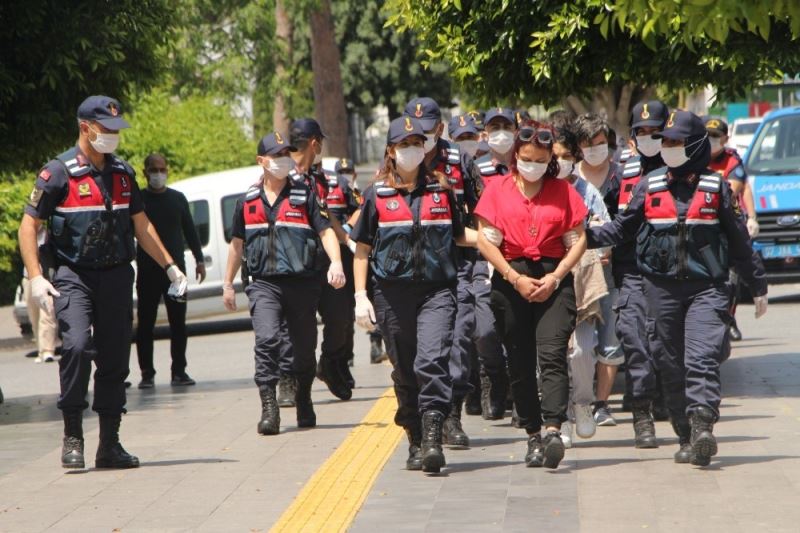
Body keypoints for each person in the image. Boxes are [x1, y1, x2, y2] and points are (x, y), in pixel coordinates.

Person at [587, 109, 768, 466]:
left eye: (675, 142)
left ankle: (703, 426)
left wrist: (758, 286)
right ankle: (685, 433)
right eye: (665, 142)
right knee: (667, 363)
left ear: (696, 145)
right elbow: (621, 229)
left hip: (708, 290)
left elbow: (739, 244)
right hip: (660, 290)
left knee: (700, 358)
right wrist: (581, 235)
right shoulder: (648, 185)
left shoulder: (716, 188)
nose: (667, 148)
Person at [18, 95, 188, 470]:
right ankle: (73, 434)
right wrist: (35, 277)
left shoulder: (123, 173)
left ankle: (109, 444)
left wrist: (170, 266)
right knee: (77, 346)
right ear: (85, 127)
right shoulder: (58, 173)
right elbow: (29, 226)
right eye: (106, 129)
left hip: (115, 275)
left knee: (114, 358)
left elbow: (141, 226)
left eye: (116, 129)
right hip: (73, 276)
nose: (113, 135)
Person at [352, 116, 476, 473]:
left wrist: (495, 242)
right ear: (391, 150)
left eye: (417, 144)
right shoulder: (377, 195)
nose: (412, 150)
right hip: (392, 296)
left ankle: (434, 438)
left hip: (437, 291)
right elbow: (362, 249)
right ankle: (415, 437)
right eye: (404, 145)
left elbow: (458, 235)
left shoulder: (441, 189)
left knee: (431, 361)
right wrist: (361, 296)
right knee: (406, 371)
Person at [476, 120, 588, 469]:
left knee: (553, 354)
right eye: (526, 158)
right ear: (515, 157)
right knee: (520, 360)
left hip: (554, 278)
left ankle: (554, 428)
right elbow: (485, 240)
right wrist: (513, 277)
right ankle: (533, 434)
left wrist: (556, 277)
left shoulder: (564, 191)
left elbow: (579, 238)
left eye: (540, 160)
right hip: (512, 279)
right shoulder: (496, 189)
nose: (533, 165)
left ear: (549, 161)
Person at [222, 132, 345, 436]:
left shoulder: (305, 196)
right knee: (266, 340)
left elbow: (326, 232)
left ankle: (303, 396)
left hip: (303, 284)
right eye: (276, 156)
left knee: (304, 349)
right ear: (261, 161)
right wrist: (227, 283)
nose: (283, 161)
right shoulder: (247, 202)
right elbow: (237, 245)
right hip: (264, 284)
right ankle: (269, 407)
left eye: (286, 155)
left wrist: (337, 262)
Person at [404, 97, 481, 447]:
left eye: (427, 129)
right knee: (421, 352)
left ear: (439, 128)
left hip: (458, 264)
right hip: (413, 273)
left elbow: (481, 211)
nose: (421, 136)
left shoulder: (460, 161)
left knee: (460, 340)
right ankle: (423, 417)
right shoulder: (395, 161)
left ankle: (451, 416)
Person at [550, 111, 610, 448]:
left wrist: (595, 245)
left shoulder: (588, 193)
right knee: (553, 354)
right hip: (550, 284)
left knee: (583, 351)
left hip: (585, 286)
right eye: (555, 157)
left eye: (567, 157)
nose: (560, 163)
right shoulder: (537, 191)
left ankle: (583, 404)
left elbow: (607, 233)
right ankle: (557, 420)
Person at [288, 118, 355, 402]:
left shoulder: (319, 180)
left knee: (340, 318)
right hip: (293, 263)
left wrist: (348, 241)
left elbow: (326, 219)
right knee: (292, 326)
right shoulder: (280, 175)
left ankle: (329, 363)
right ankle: (288, 380)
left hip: (324, 259)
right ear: (314, 143)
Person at [135, 153, 206, 389]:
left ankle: (179, 371)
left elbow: (190, 231)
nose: (158, 174)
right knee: (145, 325)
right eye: (153, 170)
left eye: (161, 169)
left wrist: (199, 260)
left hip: (176, 274)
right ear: (145, 173)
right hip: (147, 272)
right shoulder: (139, 202)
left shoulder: (177, 199)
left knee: (178, 324)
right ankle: (147, 374)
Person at [575, 113, 624, 427]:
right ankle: (573, 401)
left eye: (600, 144)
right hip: (572, 274)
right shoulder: (570, 180)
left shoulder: (621, 177)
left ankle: (601, 404)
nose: (595, 149)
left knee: (610, 337)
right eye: (588, 144)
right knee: (577, 344)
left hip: (611, 271)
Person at [704, 117, 757, 342]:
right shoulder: (695, 158)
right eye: (708, 136)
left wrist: (752, 218)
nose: (711, 141)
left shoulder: (732, 161)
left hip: (728, 227)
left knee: (731, 280)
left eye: (716, 136)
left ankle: (729, 319)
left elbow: (735, 189)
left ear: (725, 138)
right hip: (705, 228)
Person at [323, 157, 361, 380]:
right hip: (317, 255)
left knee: (344, 313)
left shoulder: (340, 184)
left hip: (343, 252)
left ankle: (343, 361)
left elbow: (359, 208)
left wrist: (346, 229)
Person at [22, 226, 58, 363]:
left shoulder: (50, 232)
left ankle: (48, 350)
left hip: (46, 278)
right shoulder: (26, 232)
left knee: (47, 313)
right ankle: (40, 349)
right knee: (34, 315)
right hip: (28, 277)